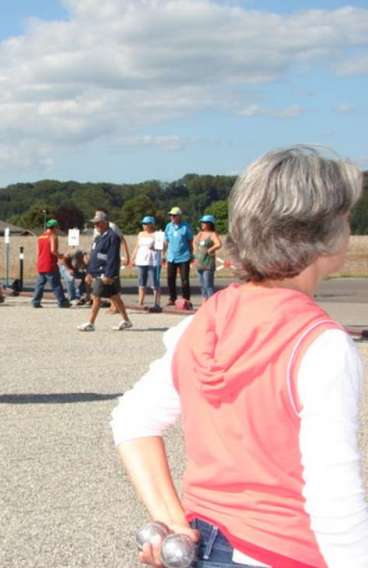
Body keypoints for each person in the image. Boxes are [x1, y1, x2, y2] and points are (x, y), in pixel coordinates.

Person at [111, 146, 368, 567]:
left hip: (205, 548)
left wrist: (170, 519)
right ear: (321, 229)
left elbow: (132, 419)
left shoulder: (203, 320)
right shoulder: (321, 344)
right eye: (344, 214)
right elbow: (334, 504)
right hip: (284, 554)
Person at [77, 211, 132, 331]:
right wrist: (89, 272)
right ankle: (126, 320)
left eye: (97, 223)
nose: (95, 226)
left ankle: (90, 323)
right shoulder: (98, 238)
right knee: (115, 297)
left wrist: (109, 274)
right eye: (94, 224)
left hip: (105, 273)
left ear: (104, 223)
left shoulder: (113, 237)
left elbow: (113, 257)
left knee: (95, 296)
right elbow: (94, 256)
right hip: (97, 272)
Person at [31, 218, 70, 308]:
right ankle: (62, 302)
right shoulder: (53, 236)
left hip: (41, 263)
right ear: (54, 227)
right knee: (56, 283)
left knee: (40, 284)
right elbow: (53, 250)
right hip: (50, 263)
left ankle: (36, 301)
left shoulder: (40, 237)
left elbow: (39, 251)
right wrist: (61, 256)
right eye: (57, 227)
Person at [164, 206, 194, 306]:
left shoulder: (186, 226)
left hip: (184, 256)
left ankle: (186, 299)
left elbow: (190, 241)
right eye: (171, 215)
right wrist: (164, 254)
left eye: (174, 215)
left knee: (184, 279)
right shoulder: (168, 226)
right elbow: (166, 241)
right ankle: (172, 298)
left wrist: (191, 254)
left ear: (179, 216)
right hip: (171, 256)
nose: (172, 217)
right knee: (170, 278)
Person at [134, 216, 161, 309]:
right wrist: (132, 258)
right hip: (141, 260)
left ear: (151, 224)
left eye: (146, 224)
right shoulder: (140, 234)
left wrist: (154, 246)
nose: (144, 225)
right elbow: (137, 246)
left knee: (154, 282)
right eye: (143, 223)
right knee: (141, 282)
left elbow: (162, 248)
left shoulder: (158, 234)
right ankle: (140, 301)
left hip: (153, 261)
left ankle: (156, 303)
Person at [194, 214, 223, 303]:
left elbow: (219, 244)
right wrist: (195, 251)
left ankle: (211, 303)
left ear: (209, 224)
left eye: (204, 222)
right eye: (202, 222)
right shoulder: (200, 233)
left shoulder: (212, 234)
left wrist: (211, 249)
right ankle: (204, 304)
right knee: (202, 286)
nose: (202, 224)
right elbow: (194, 242)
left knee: (208, 285)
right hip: (199, 263)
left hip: (208, 263)